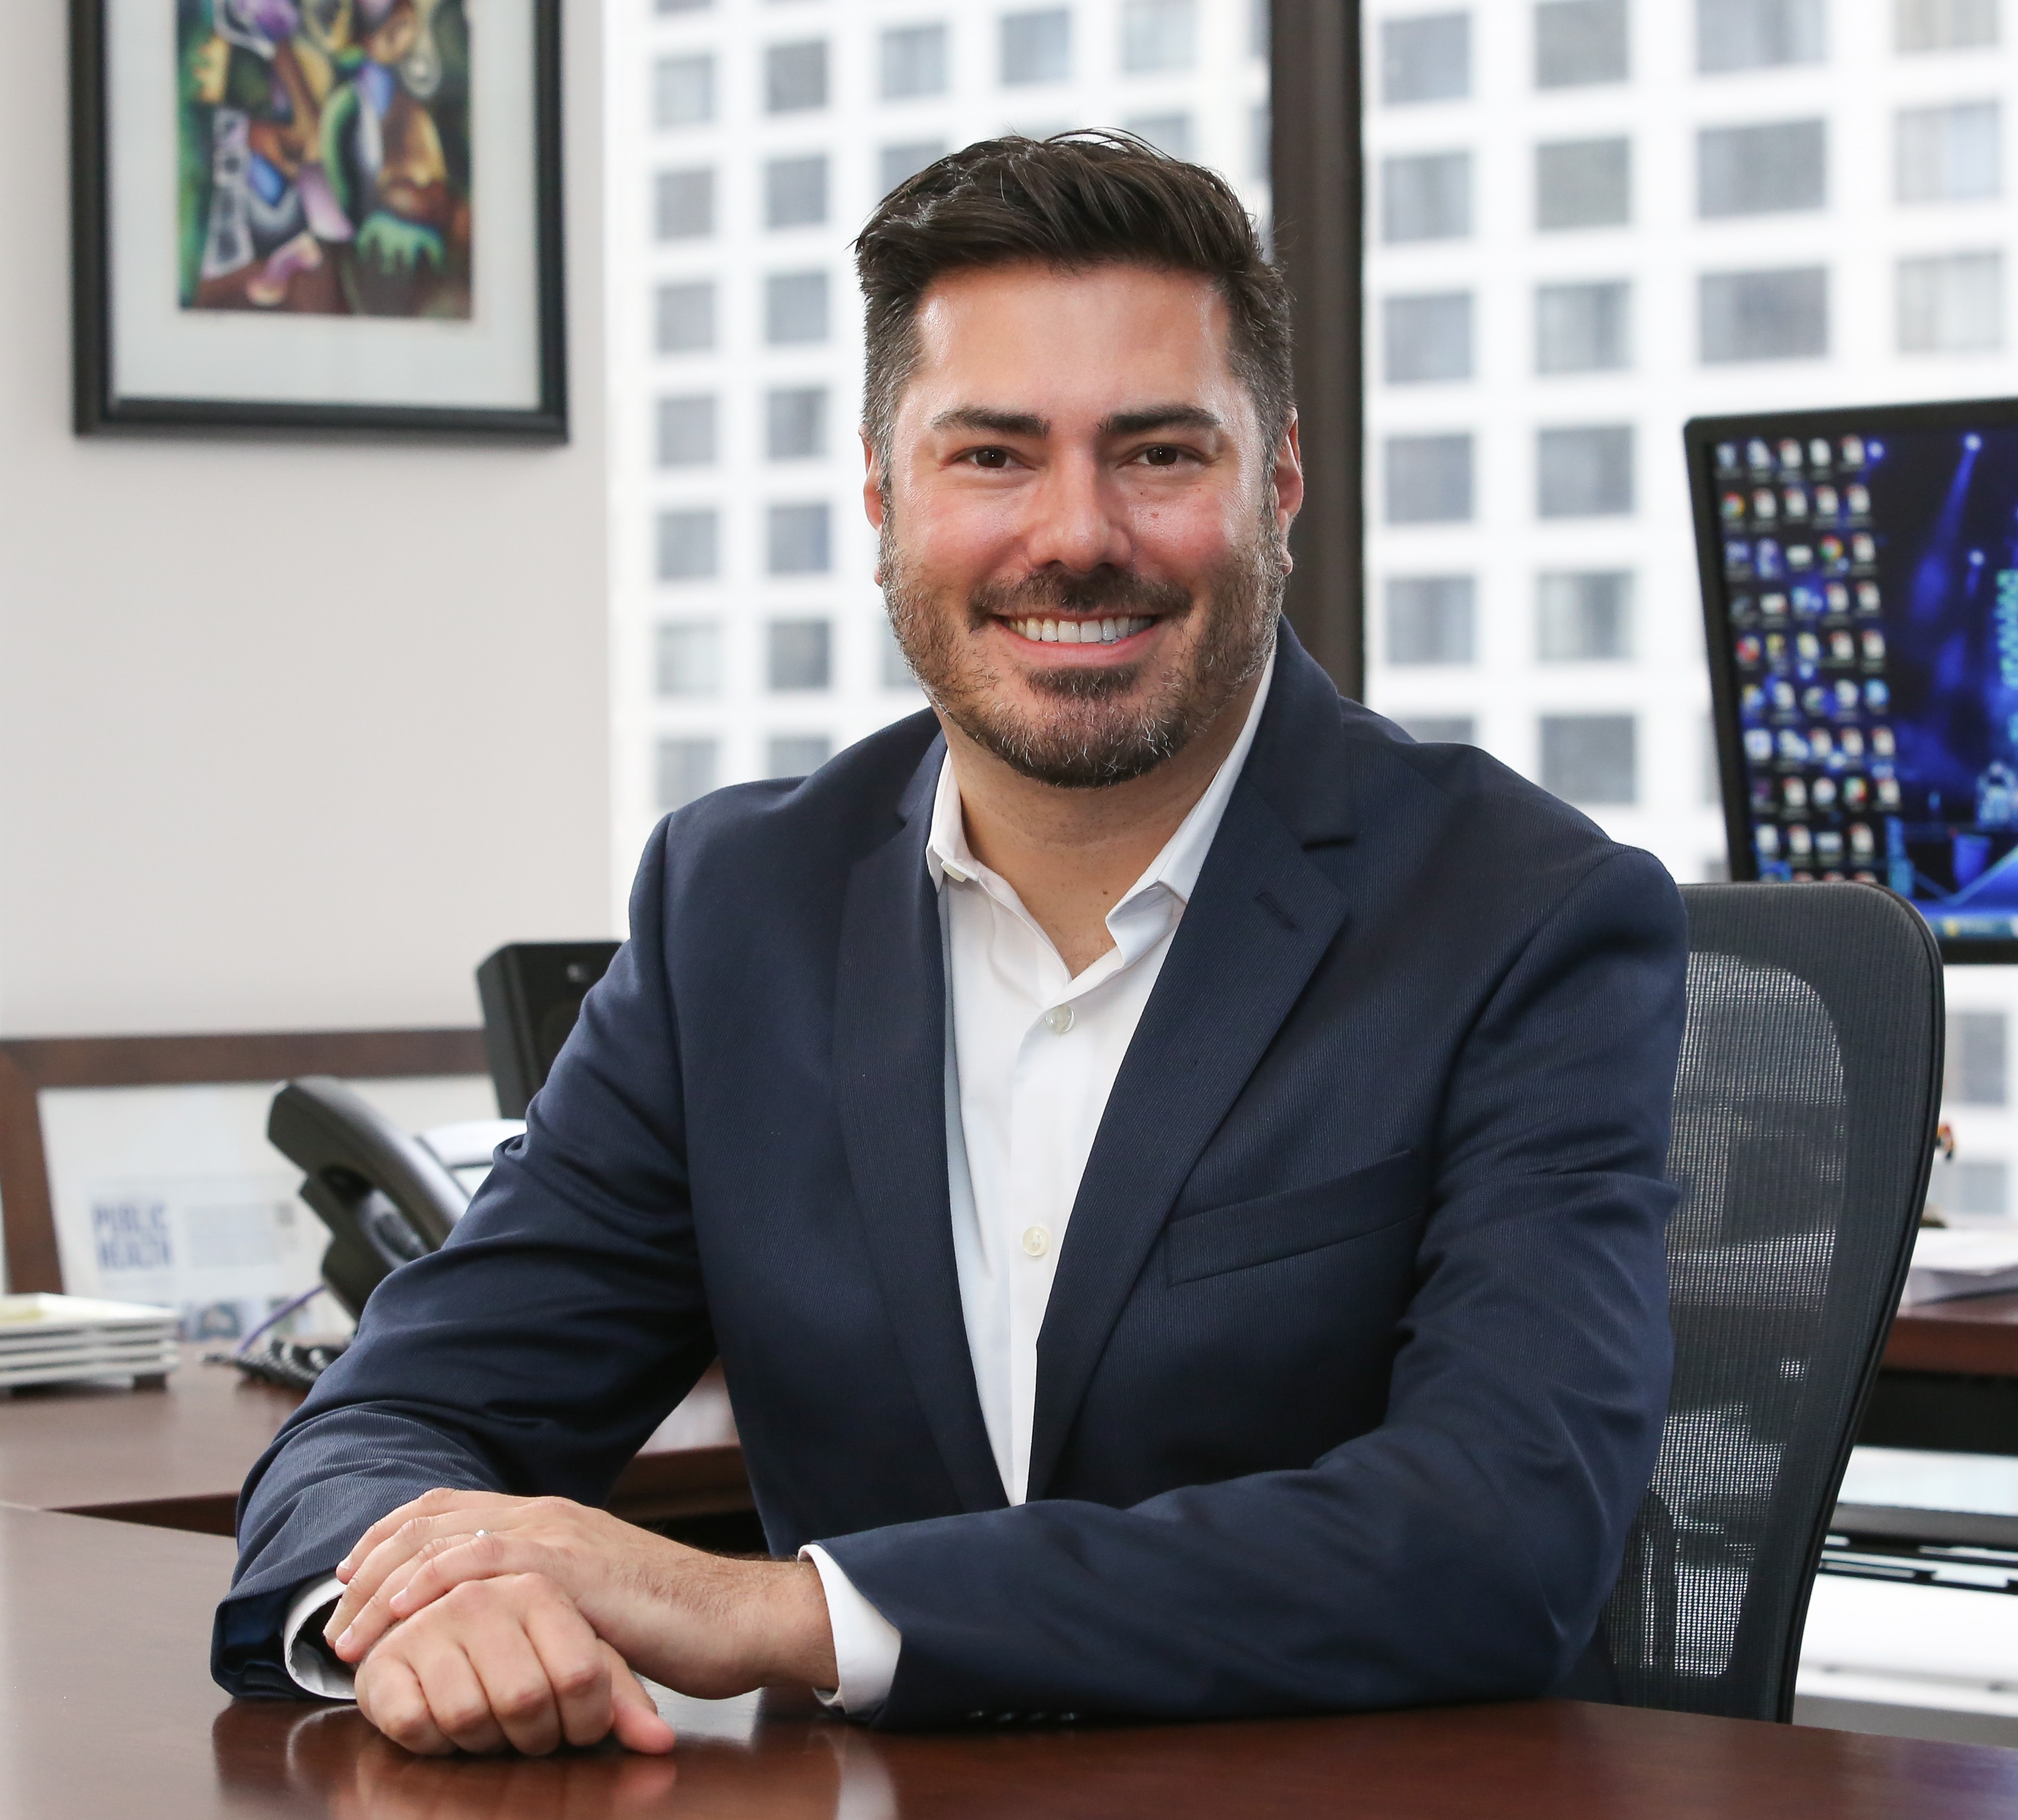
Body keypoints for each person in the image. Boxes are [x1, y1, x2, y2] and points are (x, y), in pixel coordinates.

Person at [214, 132, 1688, 1757]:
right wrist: (436, 1601)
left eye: (1159, 453)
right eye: (992, 455)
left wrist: (779, 1611)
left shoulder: (1523, 915)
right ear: (881, 493)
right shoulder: (737, 911)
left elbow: (1501, 1532)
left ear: (1276, 483)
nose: (1075, 532)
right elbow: (397, 1415)